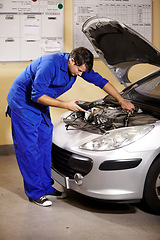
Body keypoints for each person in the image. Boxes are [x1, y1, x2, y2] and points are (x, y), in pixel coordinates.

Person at [6, 47, 135, 207]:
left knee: (45, 143)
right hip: (23, 103)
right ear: (72, 60)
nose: (80, 74)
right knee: (29, 149)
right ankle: (35, 193)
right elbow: (36, 95)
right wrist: (65, 105)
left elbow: (101, 82)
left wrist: (121, 100)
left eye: (83, 71)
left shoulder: (80, 65)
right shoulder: (50, 64)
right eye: (78, 70)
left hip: (40, 103)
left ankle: (46, 187)